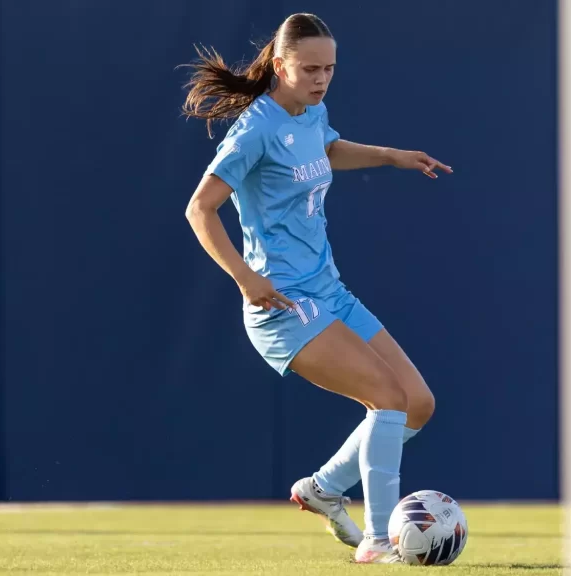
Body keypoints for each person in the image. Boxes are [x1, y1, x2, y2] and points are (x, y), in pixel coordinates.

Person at [180, 13, 451, 564]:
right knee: (388, 398)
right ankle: (379, 541)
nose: (321, 78)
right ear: (280, 66)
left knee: (417, 404)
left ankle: (323, 490)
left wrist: (391, 156)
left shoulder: (310, 112)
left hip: (328, 291)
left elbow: (326, 151)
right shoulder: (255, 129)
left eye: (329, 68)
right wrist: (246, 278)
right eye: (309, 69)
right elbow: (199, 208)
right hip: (283, 303)